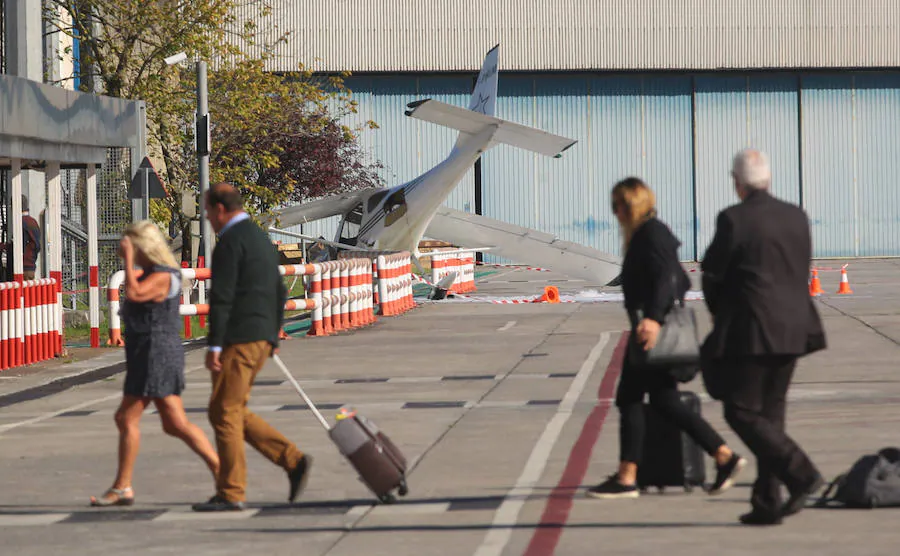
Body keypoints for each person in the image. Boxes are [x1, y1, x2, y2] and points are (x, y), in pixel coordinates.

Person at [586, 177, 746, 500]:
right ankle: (724, 457)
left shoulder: (651, 234)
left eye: (617, 205)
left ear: (631, 205)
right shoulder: (646, 235)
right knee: (662, 399)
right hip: (648, 328)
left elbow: (669, 279)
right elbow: (681, 281)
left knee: (630, 398)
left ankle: (628, 477)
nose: (614, 212)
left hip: (652, 332)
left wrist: (655, 319)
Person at [701, 148, 826, 525]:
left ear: (737, 182)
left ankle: (802, 473)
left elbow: (712, 274)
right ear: (768, 179)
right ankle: (767, 502)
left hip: (752, 329)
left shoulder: (733, 219)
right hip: (795, 326)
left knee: (740, 411)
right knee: (771, 416)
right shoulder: (796, 215)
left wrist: (721, 315)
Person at [192, 183, 311, 512]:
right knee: (226, 410)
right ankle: (291, 460)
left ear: (219, 209)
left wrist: (214, 344)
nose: (207, 217)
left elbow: (222, 296)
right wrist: (273, 333)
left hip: (239, 338)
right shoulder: (260, 238)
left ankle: (232, 492)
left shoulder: (230, 242)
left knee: (226, 413)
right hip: (260, 337)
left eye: (207, 211)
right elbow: (279, 290)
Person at [90, 221, 219, 506]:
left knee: (127, 417)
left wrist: (128, 262)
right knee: (174, 423)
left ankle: (123, 486)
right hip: (146, 352)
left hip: (156, 352)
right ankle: (224, 472)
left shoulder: (163, 275)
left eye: (131, 246)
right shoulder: (151, 272)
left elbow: (135, 294)